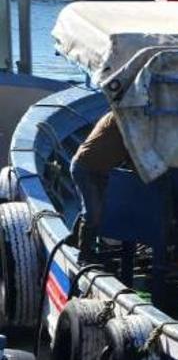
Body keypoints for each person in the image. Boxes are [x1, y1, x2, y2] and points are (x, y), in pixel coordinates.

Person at [70, 111, 131, 263]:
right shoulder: (118, 118)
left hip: (100, 170)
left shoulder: (127, 121)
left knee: (96, 208)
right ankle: (84, 254)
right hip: (85, 168)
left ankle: (73, 238)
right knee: (93, 212)